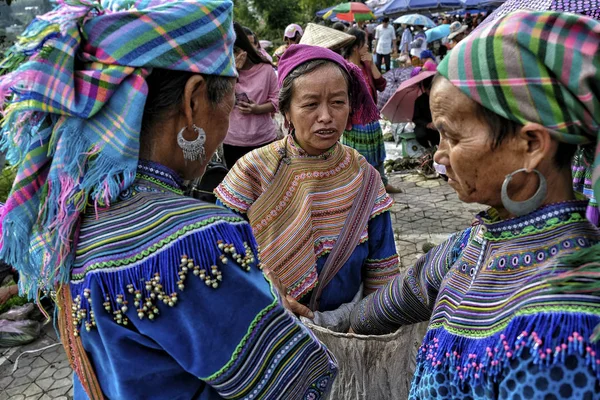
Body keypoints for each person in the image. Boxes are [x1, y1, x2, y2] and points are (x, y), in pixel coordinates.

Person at [0, 1, 338, 398]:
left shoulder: (71, 219)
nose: (230, 114)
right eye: (230, 95)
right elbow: (298, 384)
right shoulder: (197, 239)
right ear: (194, 101)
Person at [350, 11, 600, 398]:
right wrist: (316, 318)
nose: (438, 156)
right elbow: (392, 302)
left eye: (451, 136)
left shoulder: (566, 327)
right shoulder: (475, 242)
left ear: (531, 145)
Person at [216, 45, 400, 329]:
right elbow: (220, 255)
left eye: (338, 102)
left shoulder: (364, 176)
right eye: (311, 104)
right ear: (286, 111)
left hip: (347, 329)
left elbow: (382, 265)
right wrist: (264, 289)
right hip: (266, 324)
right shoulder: (252, 172)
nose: (326, 116)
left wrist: (374, 326)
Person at [342, 28, 402, 193]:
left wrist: (372, 64)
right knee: (358, 157)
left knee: (377, 153)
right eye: (365, 43)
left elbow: (381, 85)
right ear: (356, 46)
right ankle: (361, 189)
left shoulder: (365, 65)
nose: (368, 46)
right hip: (354, 122)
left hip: (371, 119)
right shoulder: (344, 67)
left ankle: (382, 183)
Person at [224, 24, 278, 168]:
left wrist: (257, 109)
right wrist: (234, 72)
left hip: (263, 140)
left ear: (244, 49)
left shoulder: (266, 69)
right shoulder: (225, 71)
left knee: (264, 186)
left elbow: (278, 100)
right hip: (232, 141)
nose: (231, 56)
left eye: (234, 51)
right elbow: (220, 101)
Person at [412, 74, 438, 149]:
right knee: (420, 134)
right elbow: (416, 118)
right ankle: (428, 147)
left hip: (439, 125)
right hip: (425, 126)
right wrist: (428, 124)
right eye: (429, 90)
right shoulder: (419, 101)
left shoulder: (440, 98)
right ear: (425, 89)